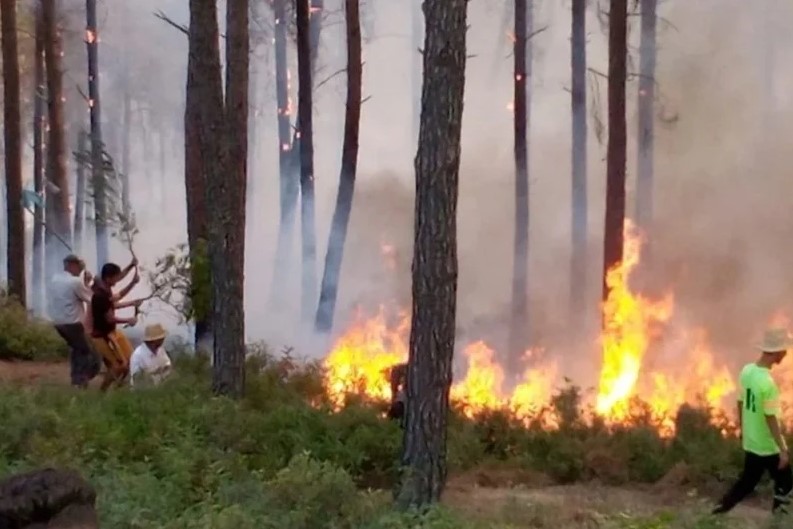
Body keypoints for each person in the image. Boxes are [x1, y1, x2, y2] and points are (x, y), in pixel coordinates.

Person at [712, 327, 793, 516]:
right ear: (776, 352)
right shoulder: (768, 384)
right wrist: (782, 449)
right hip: (767, 446)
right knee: (786, 484)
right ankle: (779, 522)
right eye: (784, 350)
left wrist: (743, 429)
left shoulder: (747, 371)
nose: (786, 354)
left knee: (746, 483)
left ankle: (717, 512)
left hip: (752, 441)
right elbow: (770, 418)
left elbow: (740, 402)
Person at [48, 254, 100, 388]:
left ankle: (76, 379)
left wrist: (83, 282)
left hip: (58, 323)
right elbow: (92, 299)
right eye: (79, 266)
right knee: (86, 352)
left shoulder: (55, 279)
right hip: (72, 323)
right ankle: (80, 381)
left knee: (77, 349)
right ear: (72, 265)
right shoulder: (75, 282)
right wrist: (88, 283)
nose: (80, 269)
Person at [89, 262, 143, 391]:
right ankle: (102, 392)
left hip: (112, 333)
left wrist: (132, 284)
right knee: (118, 365)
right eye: (116, 277)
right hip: (102, 336)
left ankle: (118, 389)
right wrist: (128, 320)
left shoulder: (106, 290)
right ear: (108, 278)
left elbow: (116, 300)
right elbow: (110, 318)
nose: (118, 280)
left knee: (131, 360)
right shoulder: (100, 295)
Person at [129, 323, 172, 387]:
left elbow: (167, 365)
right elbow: (137, 379)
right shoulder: (138, 355)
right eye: (161, 339)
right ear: (154, 340)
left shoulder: (160, 350)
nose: (163, 340)